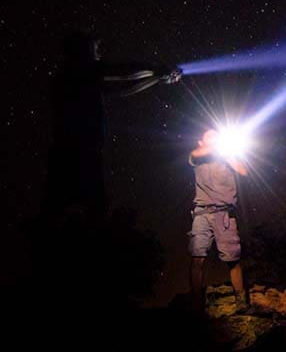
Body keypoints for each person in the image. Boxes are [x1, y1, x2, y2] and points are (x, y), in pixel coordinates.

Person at [42, 30, 182, 225]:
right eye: (95, 47)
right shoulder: (79, 71)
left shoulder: (79, 77)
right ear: (82, 50)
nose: (99, 52)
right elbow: (121, 74)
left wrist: (156, 78)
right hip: (78, 153)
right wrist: (155, 70)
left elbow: (122, 88)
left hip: (75, 152)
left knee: (65, 211)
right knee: (90, 211)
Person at [188, 128, 250, 313]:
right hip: (201, 214)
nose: (215, 139)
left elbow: (243, 171)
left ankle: (241, 301)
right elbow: (198, 153)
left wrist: (228, 154)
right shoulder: (196, 156)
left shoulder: (226, 155)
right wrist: (217, 147)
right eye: (210, 136)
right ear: (201, 141)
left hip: (224, 214)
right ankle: (196, 302)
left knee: (233, 259)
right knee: (197, 258)